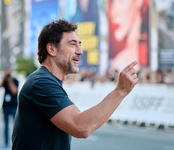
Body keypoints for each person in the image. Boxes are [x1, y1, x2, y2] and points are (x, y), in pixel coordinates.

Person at [12, 19, 138, 150]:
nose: (80, 51)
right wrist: (120, 91)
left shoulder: (46, 80)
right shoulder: (41, 83)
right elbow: (81, 127)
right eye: (72, 44)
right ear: (52, 49)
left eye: (79, 44)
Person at [108, 0, 149, 72]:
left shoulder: (151, 49)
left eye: (120, 1)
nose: (113, 13)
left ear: (138, 1)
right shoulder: (118, 61)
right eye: (112, 2)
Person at [0, 68, 19, 149]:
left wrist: (10, 81)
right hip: (5, 107)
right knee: (6, 126)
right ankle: (6, 144)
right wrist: (3, 79)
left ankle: (15, 143)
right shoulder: (4, 81)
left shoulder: (15, 81)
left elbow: (14, 91)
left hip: (13, 106)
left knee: (16, 126)